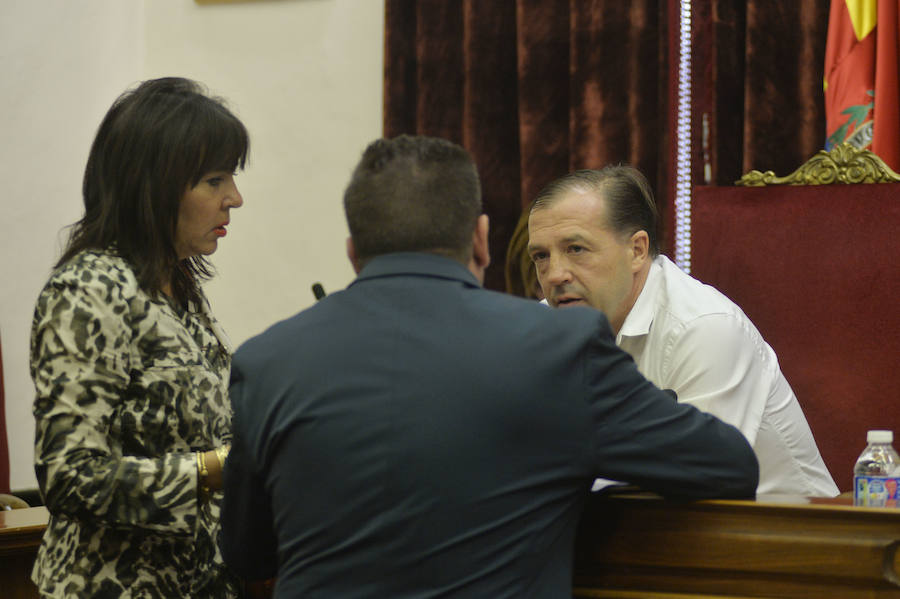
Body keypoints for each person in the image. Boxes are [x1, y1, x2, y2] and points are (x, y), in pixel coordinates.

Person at [220, 134, 758, 597]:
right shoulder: (556, 349)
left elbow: (247, 556)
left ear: (353, 251)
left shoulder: (264, 362)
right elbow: (729, 466)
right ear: (480, 239)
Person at [30, 77, 248, 597]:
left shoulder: (177, 285)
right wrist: (218, 468)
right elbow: (70, 477)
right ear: (154, 185)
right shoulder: (89, 290)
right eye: (215, 181)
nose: (235, 199)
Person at [527, 165, 838, 497]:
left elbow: (697, 476)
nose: (555, 274)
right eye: (541, 256)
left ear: (637, 250)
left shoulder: (705, 327)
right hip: (629, 530)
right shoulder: (538, 327)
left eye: (576, 249)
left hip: (785, 535)